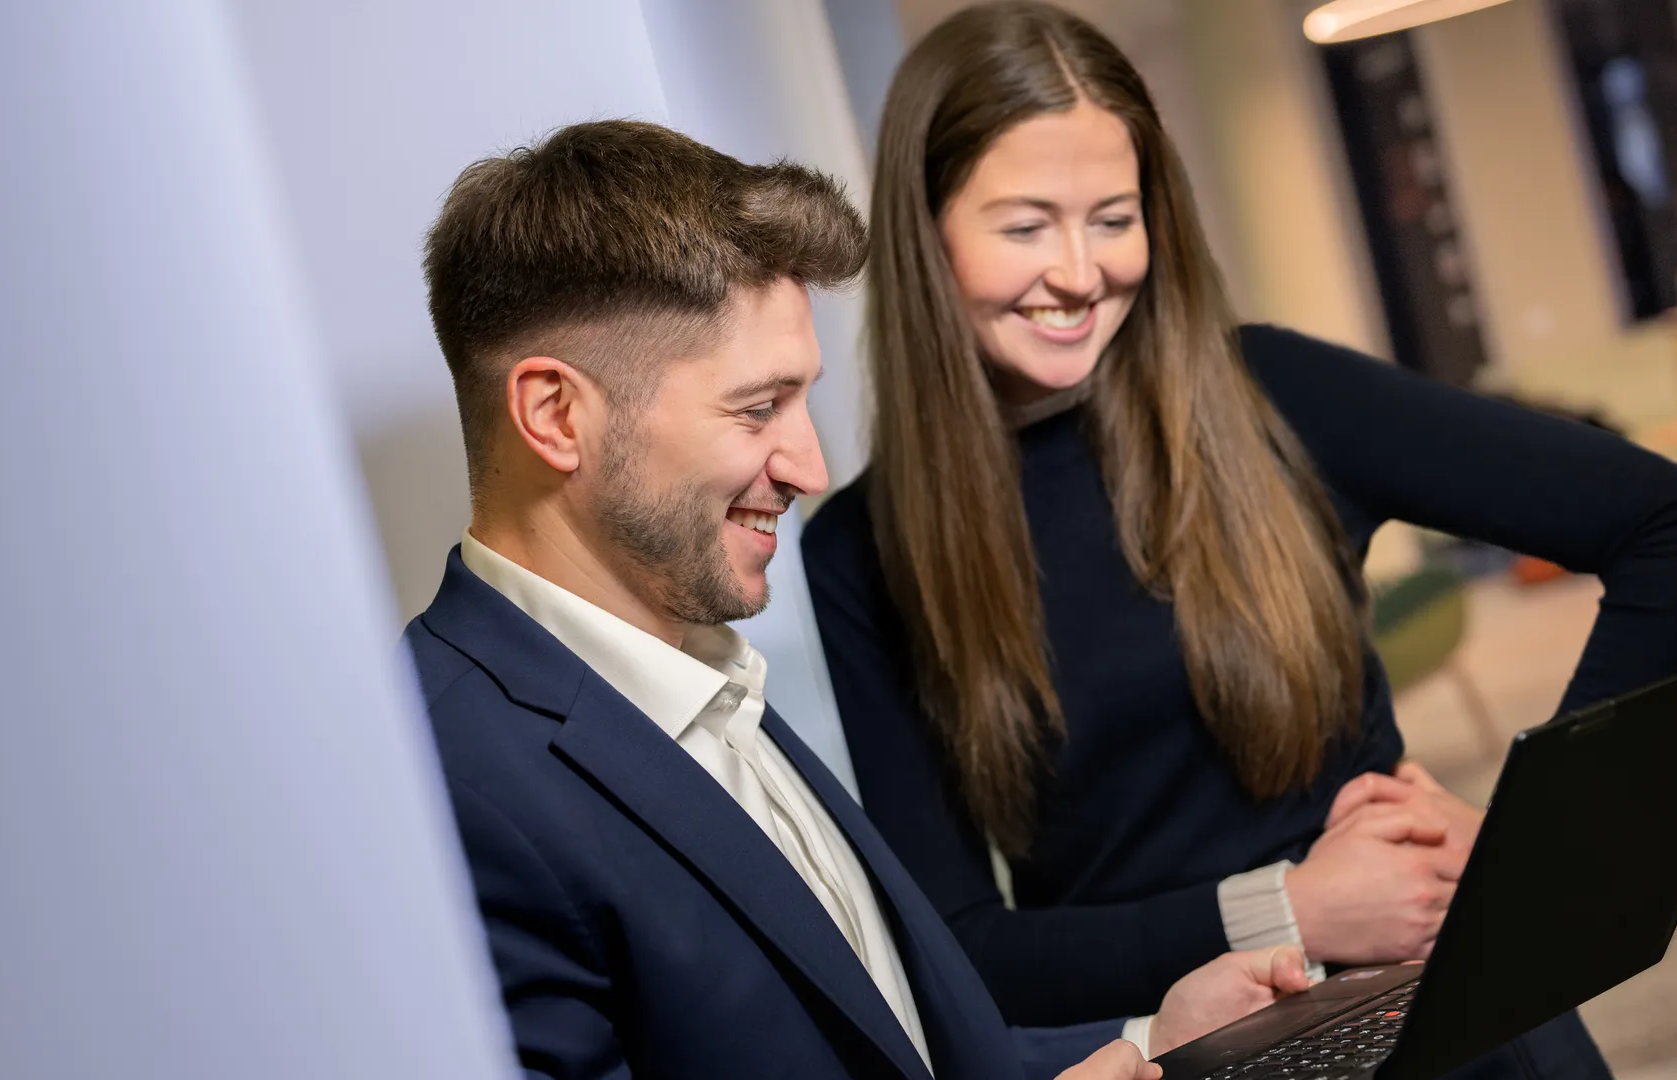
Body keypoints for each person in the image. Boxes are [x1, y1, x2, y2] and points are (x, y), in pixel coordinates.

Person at [801, 2, 1677, 1075]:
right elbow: (967, 957)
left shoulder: (1275, 396)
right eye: (1026, 227)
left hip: (1445, 1023)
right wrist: (1285, 909)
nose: (1078, 272)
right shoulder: (861, 549)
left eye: (1114, 219)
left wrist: (1530, 844)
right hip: (1192, 1054)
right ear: (924, 233)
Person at [403, 118, 1312, 1080]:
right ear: (556, 414)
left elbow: (905, 1053)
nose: (811, 467)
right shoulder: (447, 791)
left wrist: (1146, 1040)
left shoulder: (703, 674)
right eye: (759, 408)